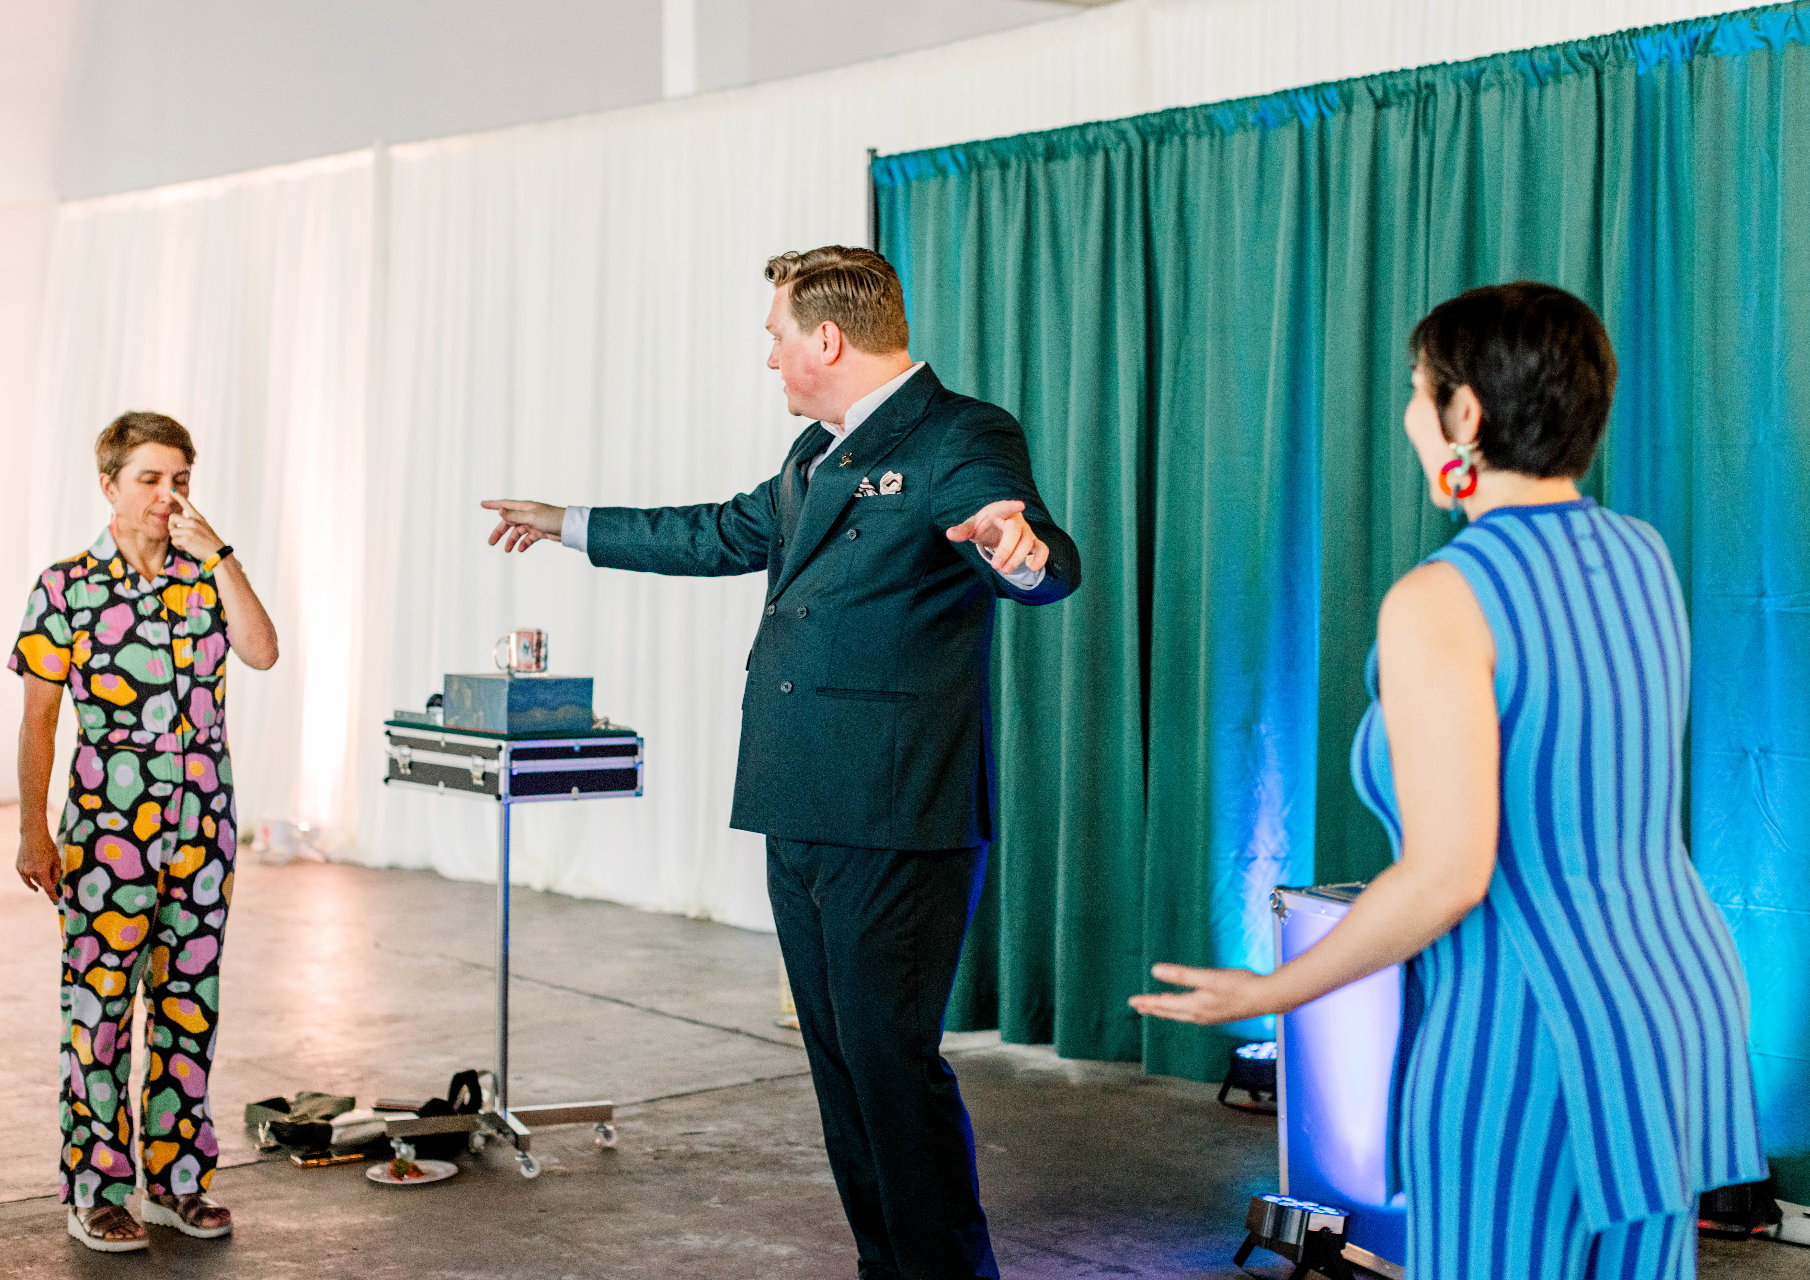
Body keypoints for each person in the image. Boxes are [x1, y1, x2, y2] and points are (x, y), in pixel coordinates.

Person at [1132, 282, 1766, 1279]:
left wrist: (1272, 991)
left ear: (1466, 413)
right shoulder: (1641, 555)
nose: (1407, 418)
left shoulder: (1442, 598)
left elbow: (1448, 875)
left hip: (1526, 1025)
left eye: (1418, 391)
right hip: (1674, 1003)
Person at [482, 246, 1079, 1279]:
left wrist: (1015, 549)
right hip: (798, 797)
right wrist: (568, 524)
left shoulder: (960, 433)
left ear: (827, 339)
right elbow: (718, 532)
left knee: (890, 1066)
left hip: (895, 810)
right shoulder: (814, 453)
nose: (770, 357)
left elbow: (1030, 543)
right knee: (842, 1067)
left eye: (776, 336)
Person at [13, 411, 279, 1253]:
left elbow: (263, 651)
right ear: (110, 485)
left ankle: (177, 1181)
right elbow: (39, 722)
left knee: (188, 1006)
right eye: (151, 479)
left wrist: (222, 554)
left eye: (181, 480)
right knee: (98, 1012)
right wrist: (33, 831)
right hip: (107, 832)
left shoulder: (207, 578)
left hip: (203, 831)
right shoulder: (65, 587)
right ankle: (96, 1191)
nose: (170, 495)